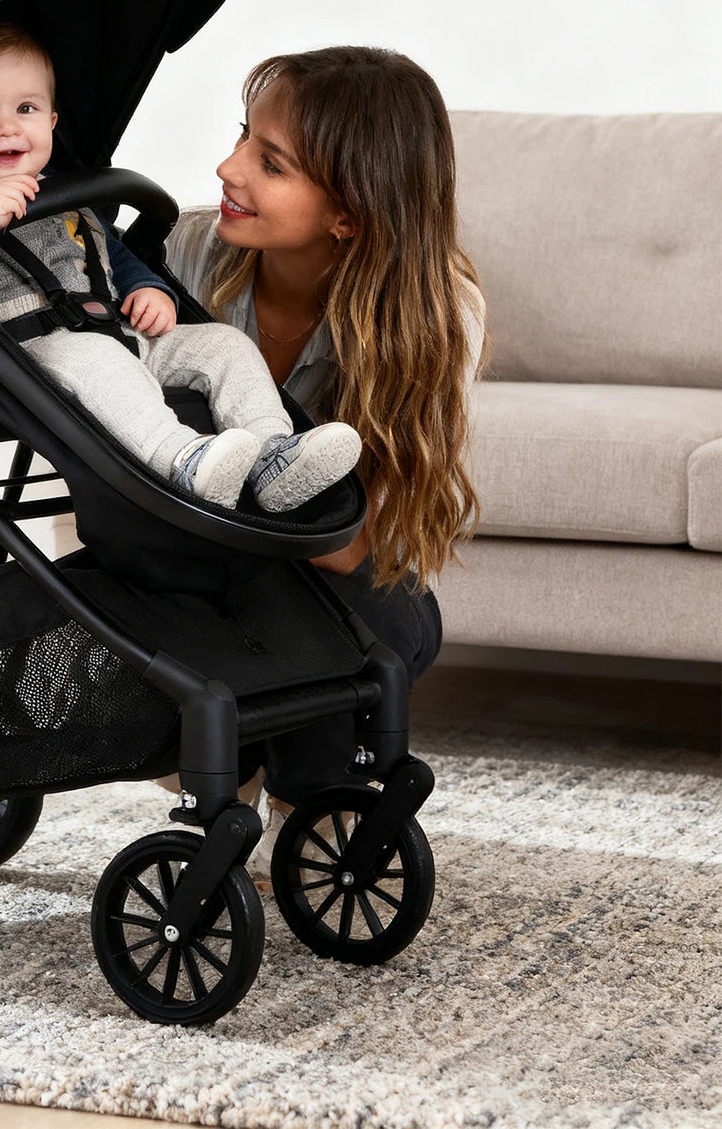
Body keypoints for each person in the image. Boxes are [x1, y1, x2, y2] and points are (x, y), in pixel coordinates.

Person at [159, 44, 487, 883]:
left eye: (271, 164)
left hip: (308, 566)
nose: (228, 168)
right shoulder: (187, 254)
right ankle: (237, 766)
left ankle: (301, 789)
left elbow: (356, 542)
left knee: (394, 627)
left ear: (349, 215)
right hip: (187, 550)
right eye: (243, 137)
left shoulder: (438, 314)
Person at [0, 19, 364, 513]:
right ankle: (179, 457)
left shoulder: (65, 193)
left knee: (225, 344)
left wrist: (148, 289)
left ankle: (272, 450)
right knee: (97, 359)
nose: (7, 127)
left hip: (116, 331)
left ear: (52, 122)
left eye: (26, 109)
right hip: (29, 355)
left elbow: (112, 255)